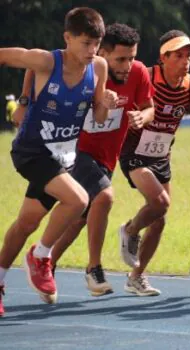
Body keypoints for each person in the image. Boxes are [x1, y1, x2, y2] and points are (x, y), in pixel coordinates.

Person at [0, 7, 117, 317]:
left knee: (26, 223)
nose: (92, 51)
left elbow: (99, 115)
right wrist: (24, 101)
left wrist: (105, 105)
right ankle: (41, 256)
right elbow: (7, 55)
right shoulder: (46, 61)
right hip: (32, 152)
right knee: (79, 199)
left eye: (96, 43)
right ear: (67, 38)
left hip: (63, 156)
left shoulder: (100, 68)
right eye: (85, 43)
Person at [48, 23, 155, 296]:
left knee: (80, 217)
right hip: (76, 150)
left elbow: (149, 107)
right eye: (120, 59)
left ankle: (45, 261)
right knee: (105, 197)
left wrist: (143, 117)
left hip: (107, 156)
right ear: (102, 54)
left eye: (131, 57)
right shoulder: (87, 72)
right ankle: (93, 268)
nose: (128, 65)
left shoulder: (139, 73)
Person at [117, 29, 190, 296]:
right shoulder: (145, 76)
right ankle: (130, 230)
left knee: (159, 219)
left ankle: (136, 277)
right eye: (179, 55)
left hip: (161, 155)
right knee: (160, 203)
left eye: (188, 56)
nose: (186, 61)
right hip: (133, 149)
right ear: (164, 57)